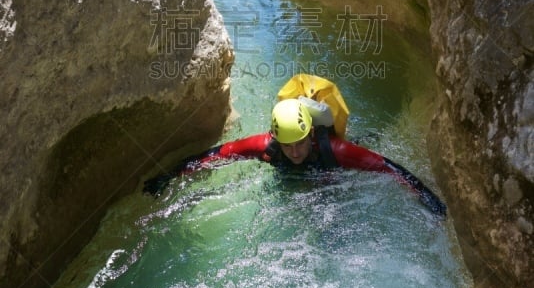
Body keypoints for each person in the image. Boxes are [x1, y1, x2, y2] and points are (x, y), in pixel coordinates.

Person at [144, 97, 447, 217]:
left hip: (328, 176)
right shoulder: (266, 145)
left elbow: (387, 167)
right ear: (276, 139)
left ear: (311, 135)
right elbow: (218, 155)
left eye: (300, 143)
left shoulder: (335, 150)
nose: (295, 152)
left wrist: (425, 195)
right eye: (288, 146)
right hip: (290, 179)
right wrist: (170, 176)